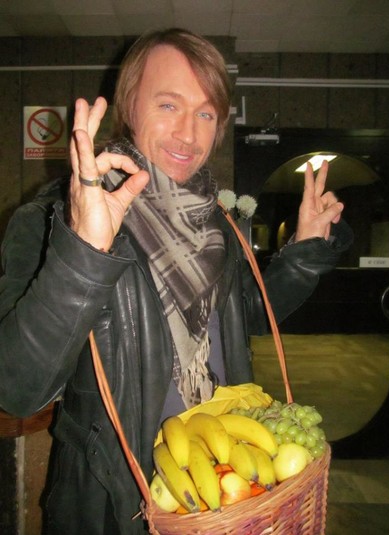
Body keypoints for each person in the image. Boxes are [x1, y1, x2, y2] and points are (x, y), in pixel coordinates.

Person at [0, 28, 352, 535]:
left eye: (206, 114)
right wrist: (83, 251)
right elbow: (16, 389)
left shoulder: (217, 225)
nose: (189, 134)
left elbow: (248, 314)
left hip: (225, 484)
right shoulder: (50, 222)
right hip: (114, 503)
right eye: (168, 105)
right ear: (130, 106)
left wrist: (304, 253)